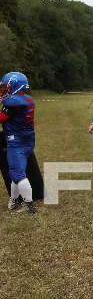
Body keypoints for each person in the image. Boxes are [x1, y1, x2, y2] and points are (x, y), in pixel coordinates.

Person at [0, 72, 37, 214]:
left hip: (16, 141)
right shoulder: (27, 99)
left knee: (17, 173)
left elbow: (2, 117)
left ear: (14, 86)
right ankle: (14, 200)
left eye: (6, 87)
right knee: (15, 172)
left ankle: (29, 206)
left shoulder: (13, 103)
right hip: (27, 140)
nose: (4, 90)